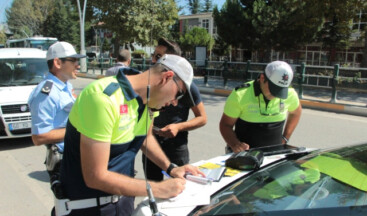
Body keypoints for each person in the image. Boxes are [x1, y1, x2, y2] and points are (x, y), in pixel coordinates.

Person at [57, 54, 204, 215]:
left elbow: (145, 138)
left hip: (123, 202)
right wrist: (159, 188)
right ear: (166, 78)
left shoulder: (149, 102)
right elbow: (95, 176)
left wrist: (171, 169)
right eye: (179, 94)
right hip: (87, 207)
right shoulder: (102, 98)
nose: (175, 102)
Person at [143, 38, 207, 181]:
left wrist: (178, 127)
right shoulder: (147, 82)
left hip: (176, 144)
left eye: (158, 57)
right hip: (151, 141)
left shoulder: (186, 86)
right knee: (154, 185)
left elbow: (202, 118)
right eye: (153, 55)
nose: (153, 60)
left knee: (181, 184)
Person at [28, 41, 86, 175]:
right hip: (65, 161)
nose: (78, 65)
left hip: (76, 156)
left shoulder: (66, 86)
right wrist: (82, 131)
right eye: (73, 61)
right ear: (58, 63)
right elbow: (39, 137)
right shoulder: (46, 94)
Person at [219, 61, 302, 153]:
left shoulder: (290, 94)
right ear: (262, 78)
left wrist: (285, 137)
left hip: (274, 156)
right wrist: (235, 144)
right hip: (244, 158)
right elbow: (225, 125)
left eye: (280, 90)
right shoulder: (240, 95)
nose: (276, 95)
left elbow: (296, 113)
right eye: (273, 89)